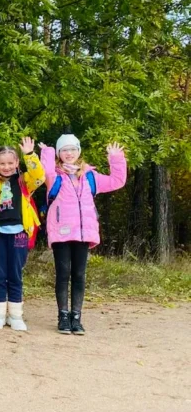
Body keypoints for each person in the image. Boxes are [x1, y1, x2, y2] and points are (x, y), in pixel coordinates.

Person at [40, 135, 127, 335]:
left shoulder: (90, 176)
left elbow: (117, 181)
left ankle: (76, 318)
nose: (68, 153)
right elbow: (44, 171)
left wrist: (116, 158)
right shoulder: (55, 175)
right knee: (63, 274)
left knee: (79, 275)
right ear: (59, 154)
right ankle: (63, 316)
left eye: (72, 149)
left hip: (83, 232)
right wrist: (47, 152)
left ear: (78, 151)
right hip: (61, 231)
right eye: (64, 150)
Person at [0, 133, 45, 331]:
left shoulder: (25, 182)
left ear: (16, 163)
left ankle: (15, 315)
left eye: (10, 163)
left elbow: (40, 176)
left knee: (15, 273)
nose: (6, 167)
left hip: (20, 233)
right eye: (2, 163)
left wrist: (30, 154)